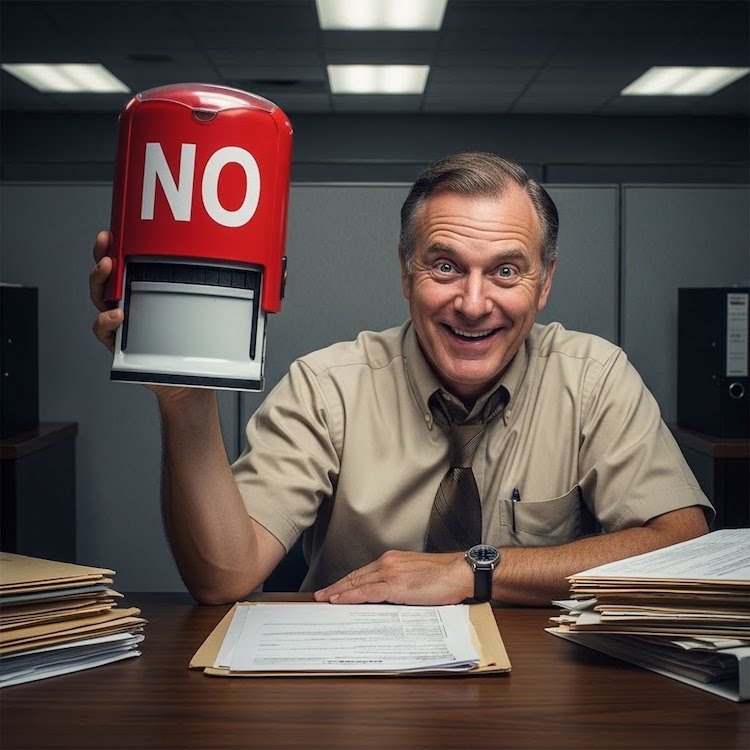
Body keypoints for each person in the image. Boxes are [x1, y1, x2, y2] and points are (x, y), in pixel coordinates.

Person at [90, 152, 712, 607]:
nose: (473, 303)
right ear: (405, 270)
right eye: (445, 265)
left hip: (541, 689)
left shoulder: (595, 378)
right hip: (354, 699)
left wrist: (476, 570)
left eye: (505, 272)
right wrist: (185, 400)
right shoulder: (326, 386)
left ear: (543, 284)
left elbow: (681, 542)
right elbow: (222, 577)